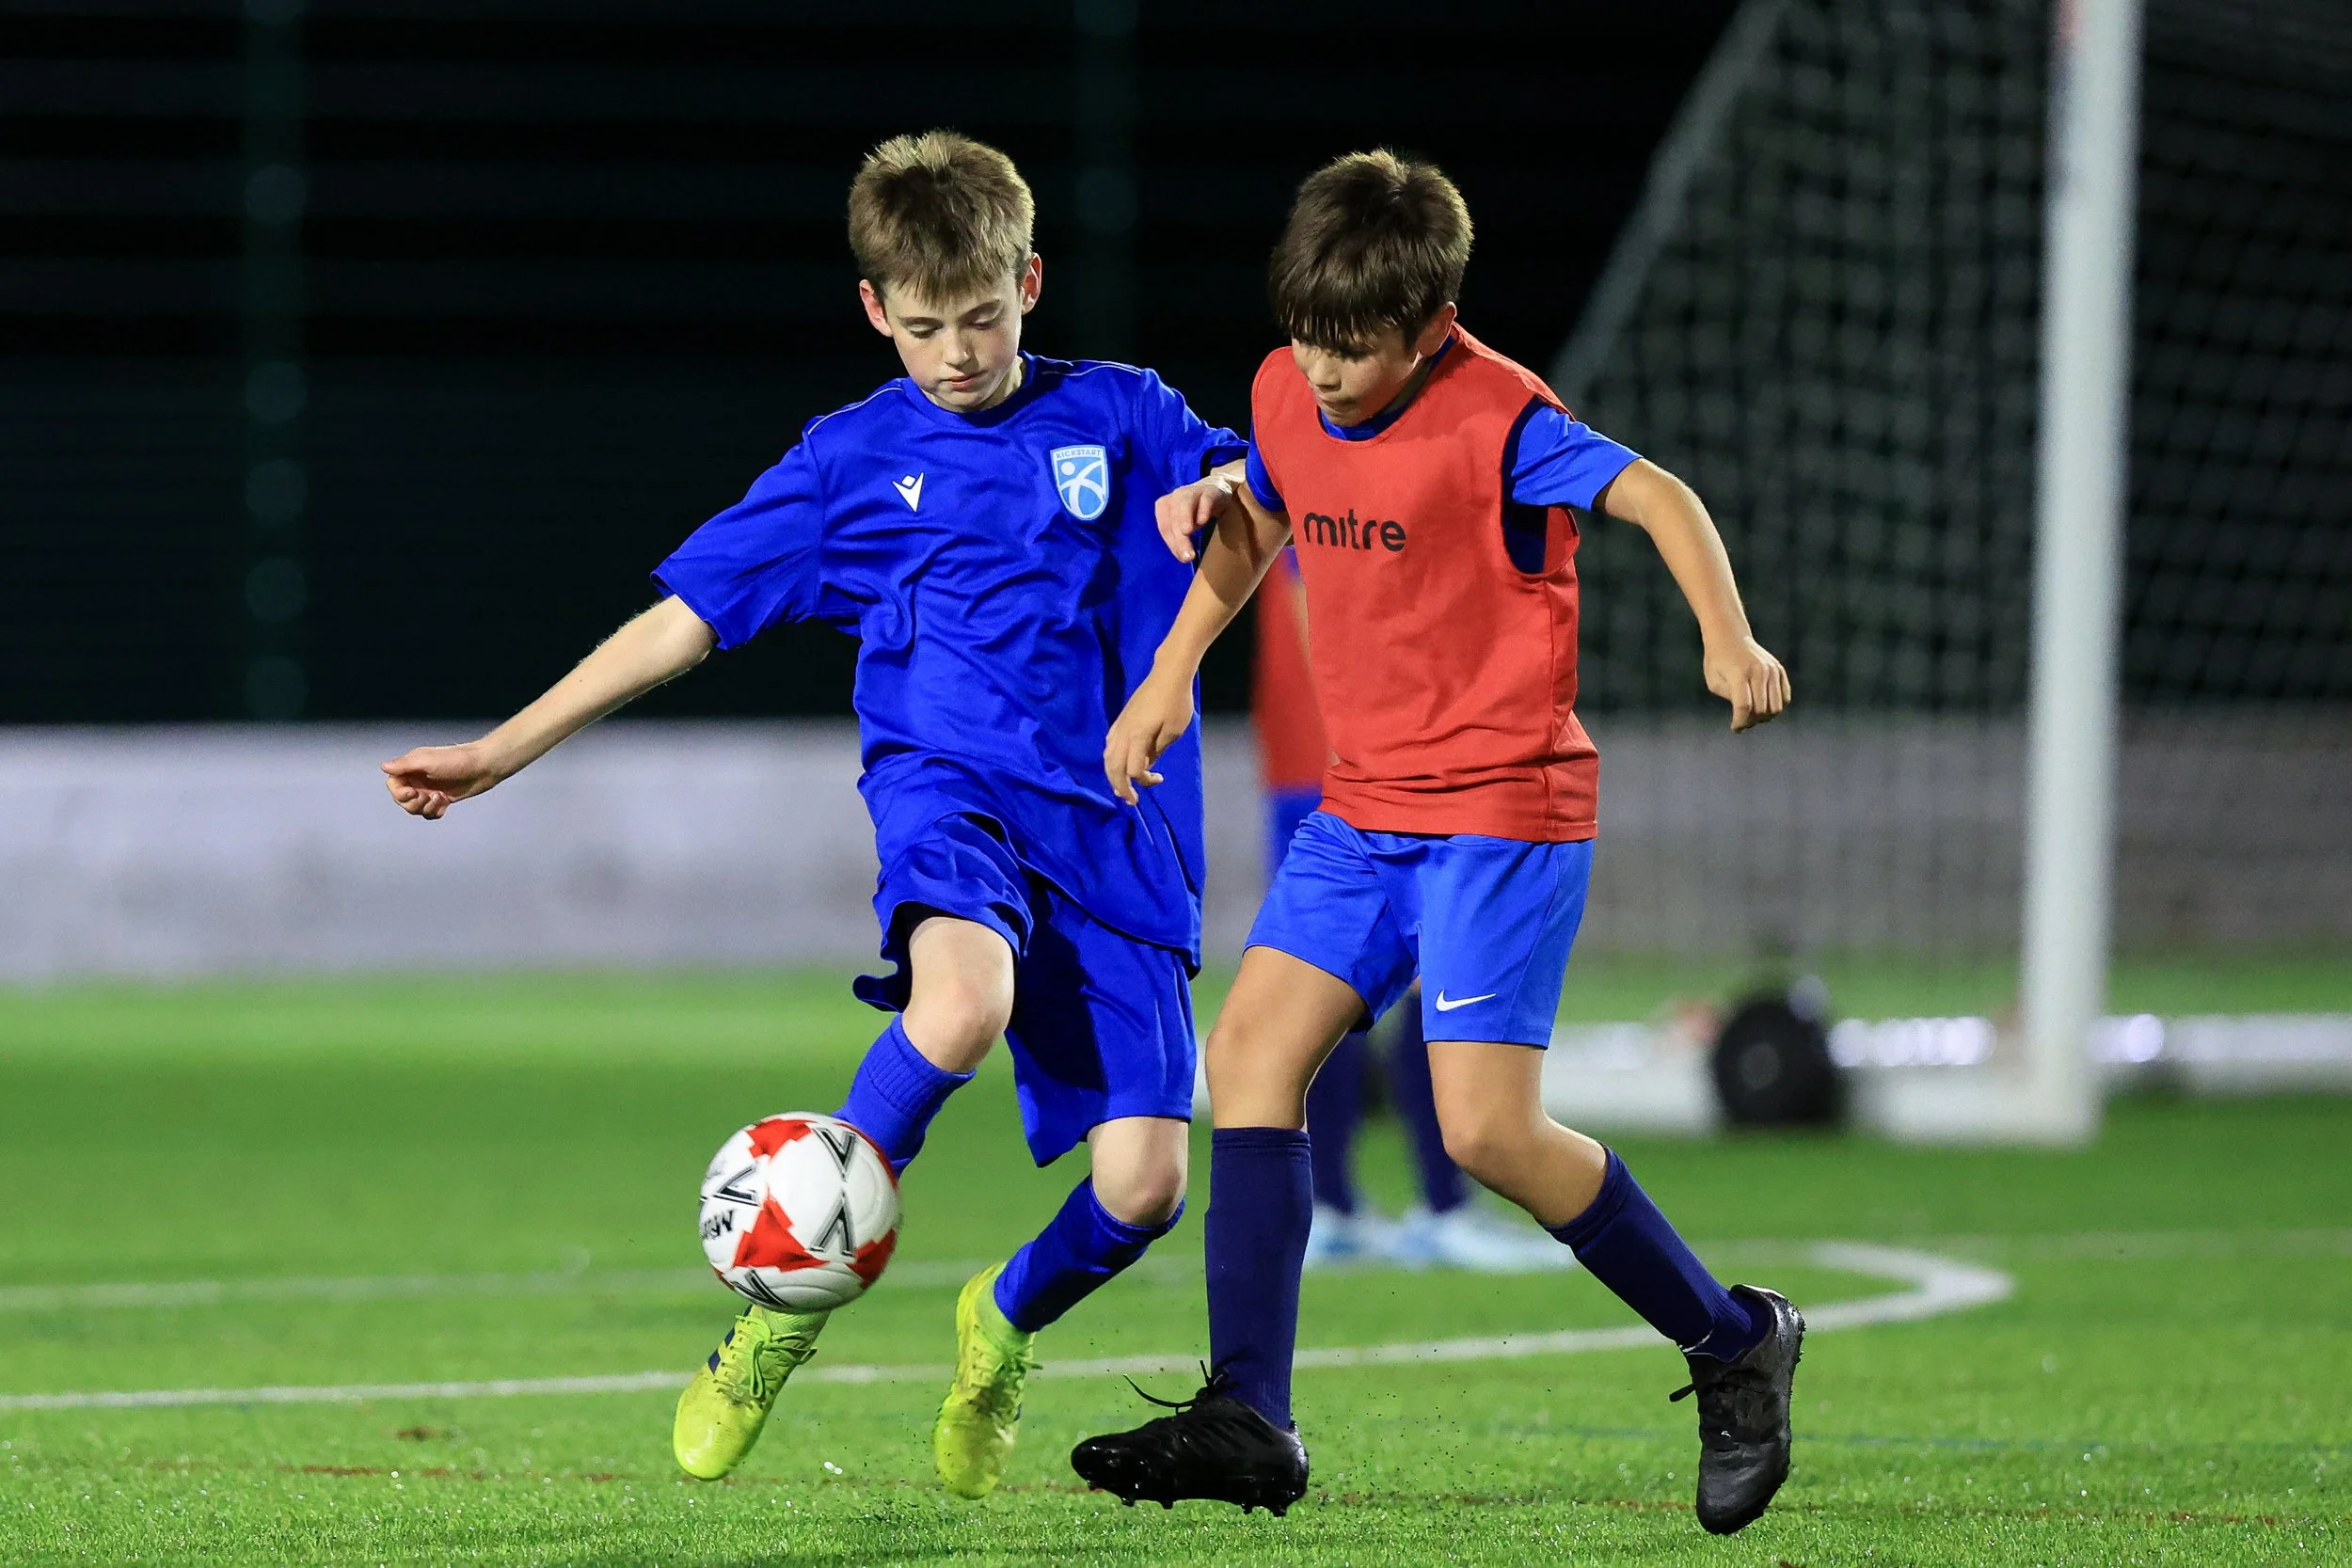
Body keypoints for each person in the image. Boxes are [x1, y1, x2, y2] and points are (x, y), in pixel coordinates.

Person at [379, 130, 1242, 1501]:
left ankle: (999, 1325)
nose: (955, 353)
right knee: (957, 1004)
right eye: (921, 327)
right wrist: (505, 747)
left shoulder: (1124, 414)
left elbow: (1259, 495)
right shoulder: (849, 462)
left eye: (978, 317)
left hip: (1119, 828)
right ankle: (778, 1314)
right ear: (872, 311)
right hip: (948, 796)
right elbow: (683, 624)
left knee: (1146, 1190)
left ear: (1030, 281)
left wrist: (1222, 494)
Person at [1075, 150, 1803, 1535]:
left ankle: (1732, 1341)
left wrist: (1728, 629)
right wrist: (1172, 671)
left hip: (1499, 815)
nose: (1324, 370)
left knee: (1483, 1129)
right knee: (1249, 1058)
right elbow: (1259, 520)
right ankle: (1252, 1411)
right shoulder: (1288, 391)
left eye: (1354, 348)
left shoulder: (1503, 414)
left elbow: (1657, 494)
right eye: (1307, 336)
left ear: (1431, 324)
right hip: (1363, 812)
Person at [1255, 550, 1570, 1274]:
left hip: (1324, 764)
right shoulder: (1348, 461)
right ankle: (1440, 1208)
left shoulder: (1332, 461)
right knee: (1433, 973)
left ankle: (1334, 1208)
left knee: (1339, 986)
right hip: (1375, 768)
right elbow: (1326, 613)